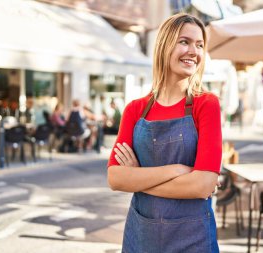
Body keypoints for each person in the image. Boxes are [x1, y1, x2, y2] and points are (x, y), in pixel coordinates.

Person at [107, 13, 222, 252]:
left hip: (193, 238)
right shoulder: (135, 110)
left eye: (199, 45)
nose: (194, 51)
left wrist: (138, 178)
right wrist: (176, 171)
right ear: (164, 46)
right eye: (184, 42)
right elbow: (116, 178)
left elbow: (202, 185)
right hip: (142, 235)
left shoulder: (206, 104)